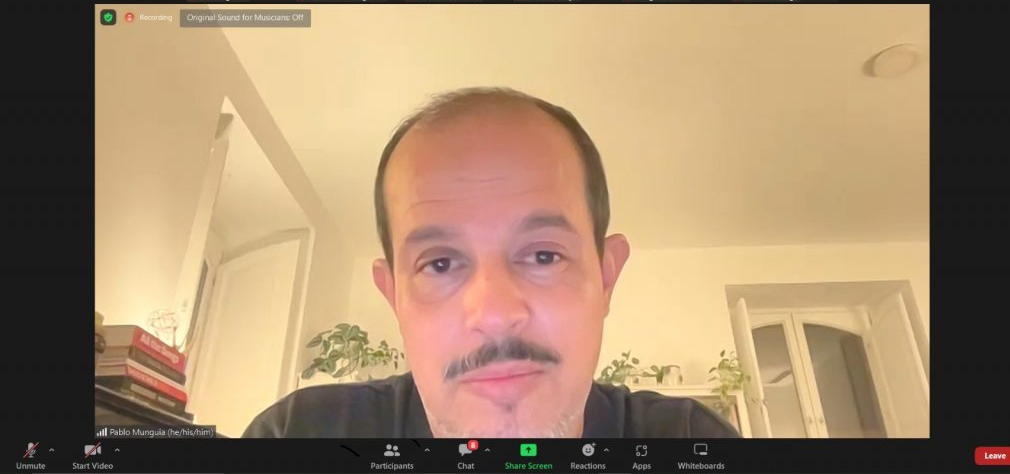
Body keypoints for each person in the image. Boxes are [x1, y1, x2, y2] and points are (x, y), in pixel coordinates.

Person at [243, 87, 739, 438]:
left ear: (606, 277)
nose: (495, 313)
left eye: (543, 255)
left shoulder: (689, 440)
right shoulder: (299, 437)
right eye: (440, 264)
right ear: (393, 295)